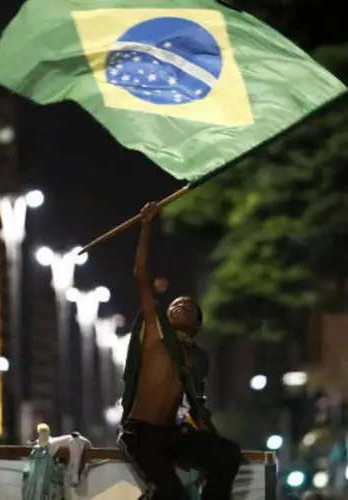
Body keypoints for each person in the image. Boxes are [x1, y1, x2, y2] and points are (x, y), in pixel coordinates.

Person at [117, 202, 241, 500]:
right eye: (175, 304)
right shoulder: (155, 331)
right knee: (171, 493)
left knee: (228, 455)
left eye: (189, 306)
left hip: (171, 434)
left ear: (197, 326)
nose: (181, 304)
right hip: (141, 432)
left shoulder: (197, 358)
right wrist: (147, 225)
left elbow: (195, 404)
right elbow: (140, 274)